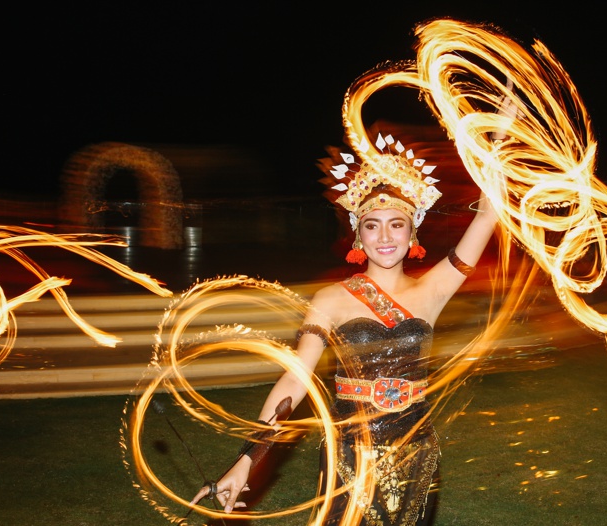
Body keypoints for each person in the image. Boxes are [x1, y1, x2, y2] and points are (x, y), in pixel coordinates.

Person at [189, 132, 499, 524]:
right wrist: (248, 459)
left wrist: (497, 139)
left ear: (412, 231)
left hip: (415, 451)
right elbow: (293, 382)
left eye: (396, 224)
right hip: (352, 452)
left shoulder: (433, 290)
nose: (385, 237)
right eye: (372, 225)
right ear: (358, 232)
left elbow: (488, 213)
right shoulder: (330, 300)